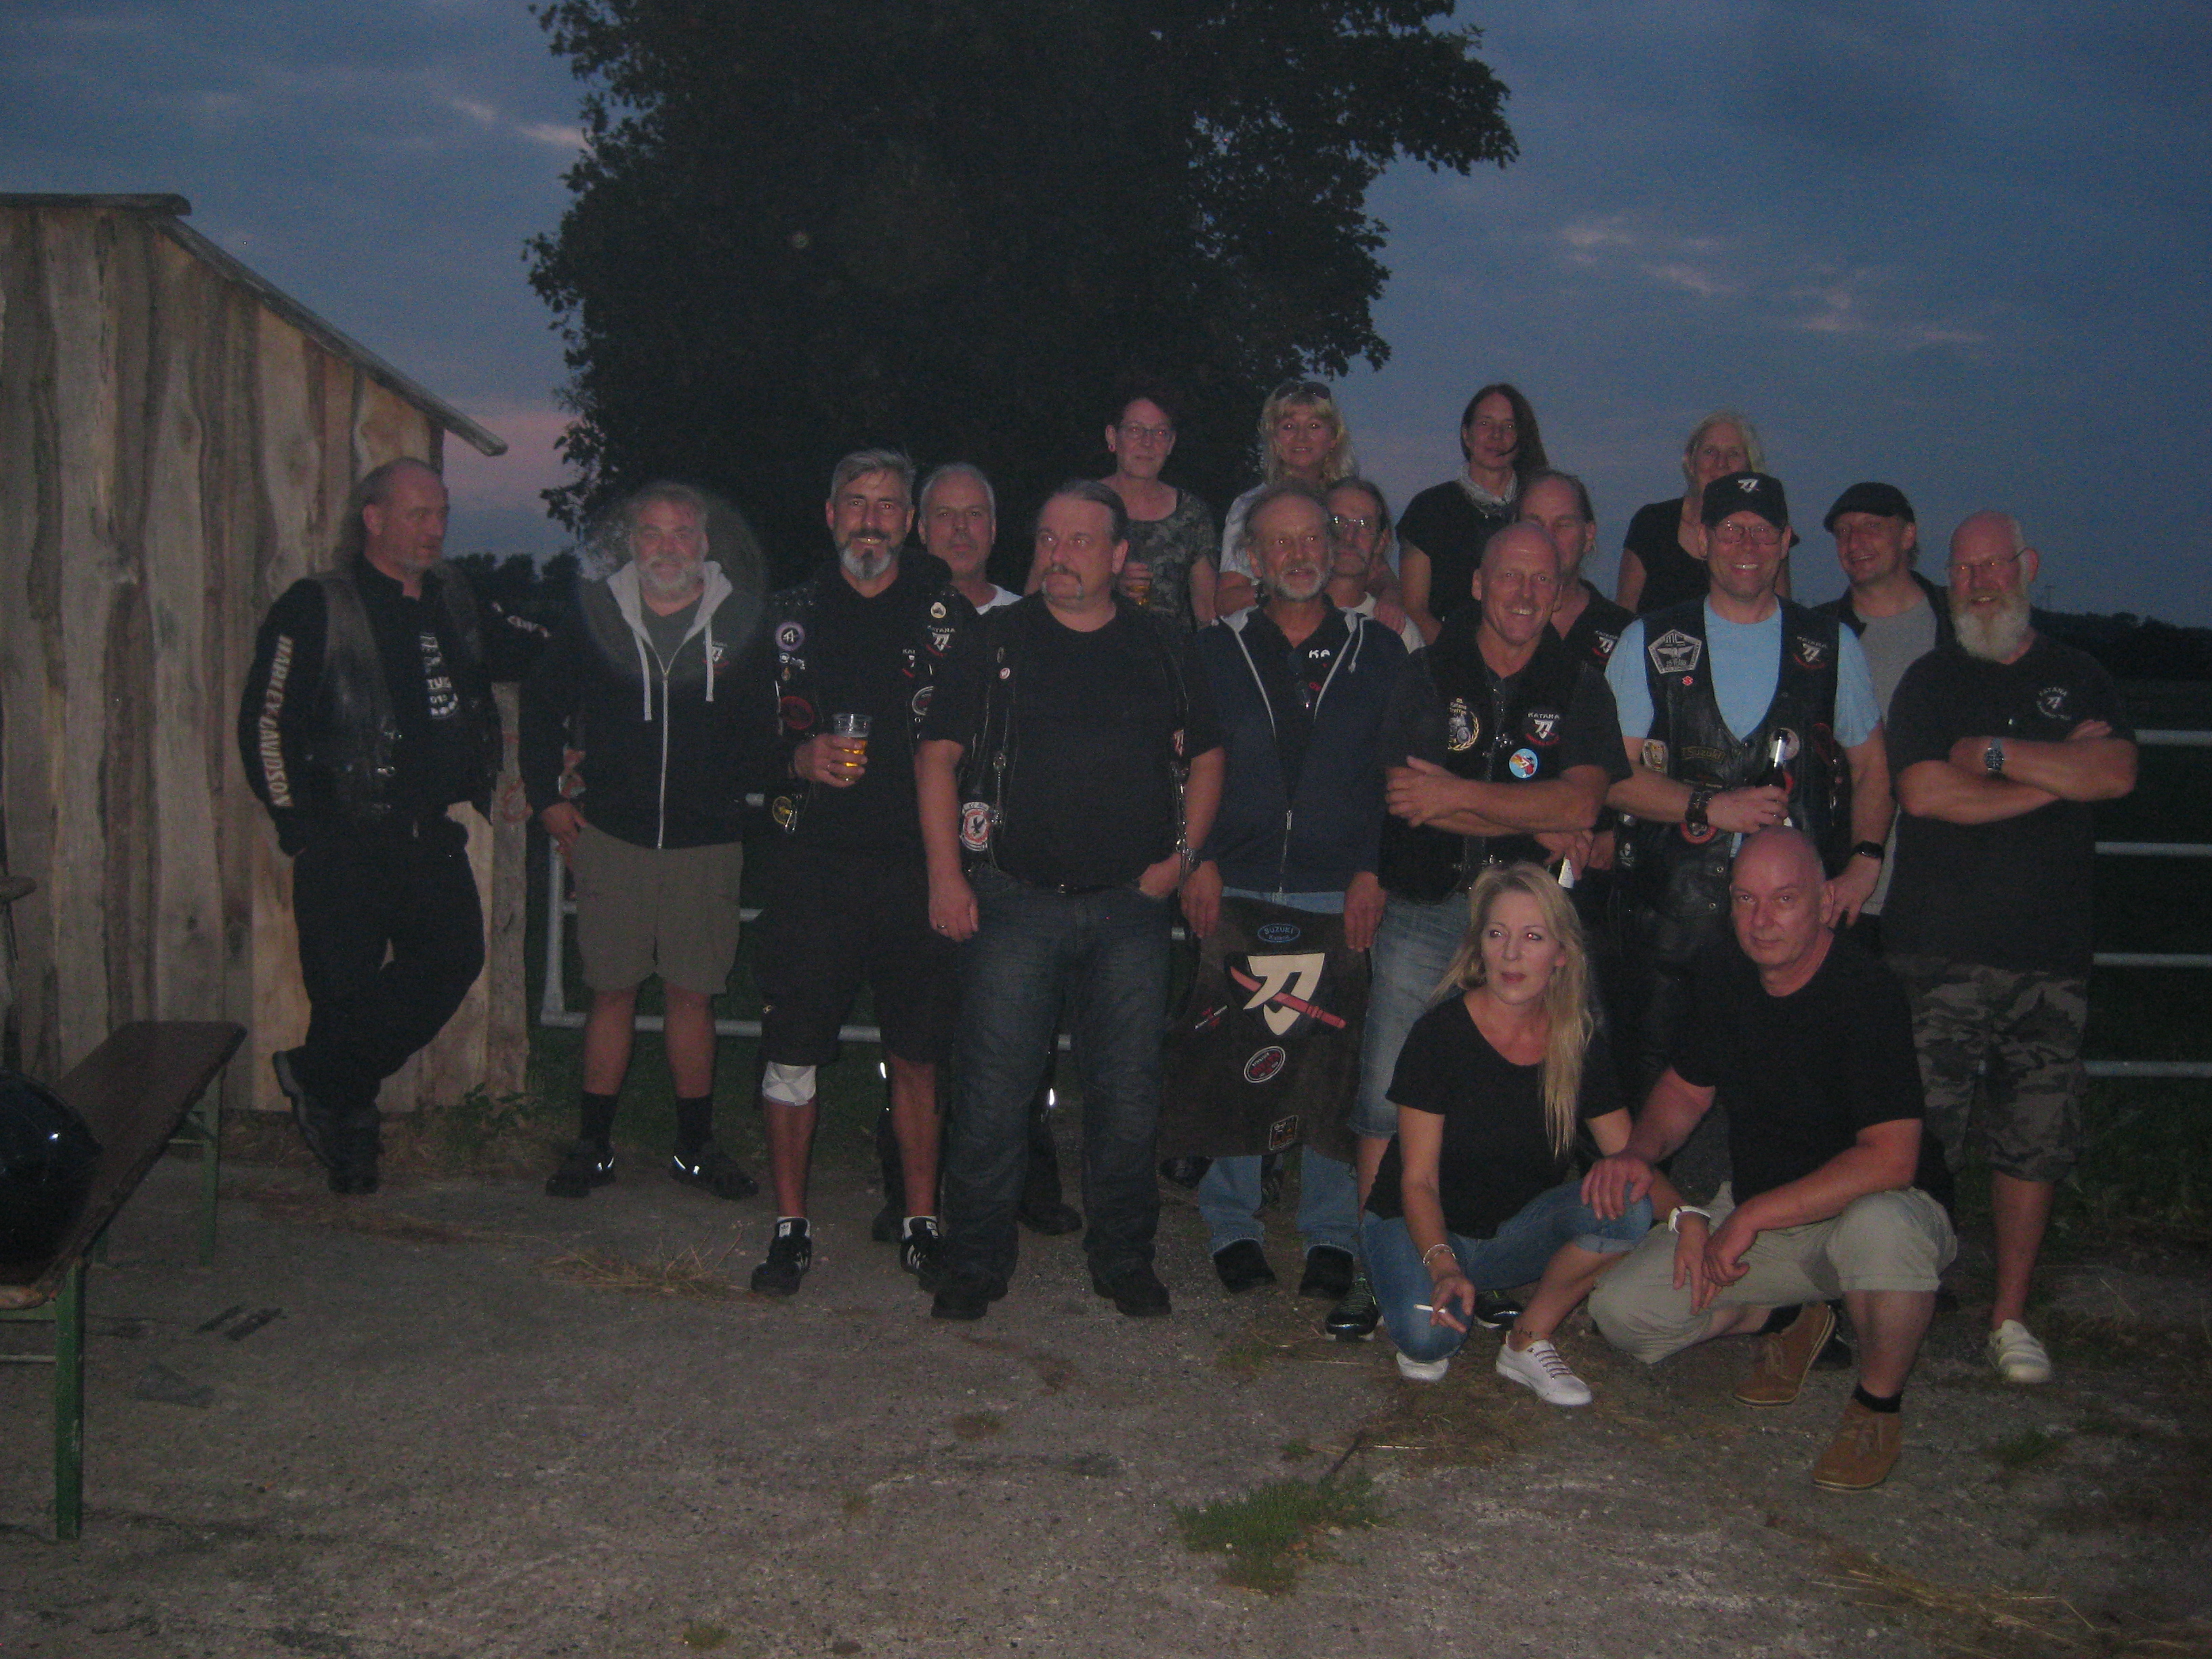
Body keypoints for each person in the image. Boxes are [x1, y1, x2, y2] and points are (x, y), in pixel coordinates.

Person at [916, 482, 1225, 1320]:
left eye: (1080, 540)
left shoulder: (1163, 645)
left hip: (1130, 910)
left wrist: (1181, 860)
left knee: (1127, 1099)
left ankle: (1124, 1259)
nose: (1059, 554)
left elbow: (1207, 757)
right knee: (992, 1097)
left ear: (1120, 556)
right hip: (1014, 902)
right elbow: (937, 757)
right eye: (1049, 538)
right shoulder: (994, 640)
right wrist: (947, 876)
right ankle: (974, 1263)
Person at [1586, 829, 1956, 1490]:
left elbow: (1892, 1160)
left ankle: (1876, 1407)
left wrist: (1751, 1216)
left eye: (1784, 899)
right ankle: (1789, 1315)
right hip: (1769, 1214)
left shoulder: (1864, 990)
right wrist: (1640, 1152)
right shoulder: (1727, 973)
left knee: (1882, 1231)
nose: (1761, 920)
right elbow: (1684, 1090)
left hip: (1874, 1209)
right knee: (1623, 1312)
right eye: (1745, 899)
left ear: (1825, 903)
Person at [1884, 512, 2136, 1386]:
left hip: (2049, 954)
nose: (1981, 583)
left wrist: (1992, 757)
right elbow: (1926, 793)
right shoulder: (1929, 681)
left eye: (1995, 566)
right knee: (1919, 1140)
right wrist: (2053, 778)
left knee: (2034, 1140)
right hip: (1935, 953)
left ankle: (2010, 1317)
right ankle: (1900, 1304)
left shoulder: (2081, 674)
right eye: (1965, 569)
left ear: (2026, 567)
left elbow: (2115, 773)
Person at [1355, 522, 1627, 1329]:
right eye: (1510, 576)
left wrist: (1462, 796)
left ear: (1561, 590)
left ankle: (1508, 1261)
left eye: (1543, 580)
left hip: (1529, 923)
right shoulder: (1424, 672)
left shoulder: (1581, 685)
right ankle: (1383, 1272)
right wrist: (1536, 815)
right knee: (1386, 1093)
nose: (1525, 593)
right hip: (1427, 905)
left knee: (1548, 1088)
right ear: (1477, 584)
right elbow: (1409, 800)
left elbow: (1584, 802)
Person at [239, 457, 501, 1195]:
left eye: (441, 513)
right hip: (344, 838)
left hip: (428, 834)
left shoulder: (453, 600)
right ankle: (351, 1137)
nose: (434, 528)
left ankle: (316, 1076)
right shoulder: (316, 606)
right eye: (418, 514)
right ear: (374, 519)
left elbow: (504, 666)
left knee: (452, 960)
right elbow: (266, 722)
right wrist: (299, 826)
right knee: (344, 993)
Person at [1179, 483, 1407, 1317]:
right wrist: (1197, 857)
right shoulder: (1215, 649)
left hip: (1336, 887)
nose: (1300, 554)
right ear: (1252, 558)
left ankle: (1330, 1236)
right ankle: (1231, 1224)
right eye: (1280, 542)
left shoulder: (1379, 651)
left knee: (1332, 1068)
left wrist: (1374, 870)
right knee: (1234, 1056)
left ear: (1335, 547)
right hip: (1236, 879)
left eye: (1313, 537)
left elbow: (1397, 775)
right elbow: (1186, 762)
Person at [1604, 472, 1891, 1131]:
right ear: (1703, 539)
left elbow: (1873, 766)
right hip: (1670, 923)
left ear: (1786, 542)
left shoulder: (1831, 645)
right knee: (1650, 1105)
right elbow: (1610, 777)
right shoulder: (1648, 640)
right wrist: (1709, 807)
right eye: (1731, 529)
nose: (1747, 545)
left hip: (1792, 932)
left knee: (1795, 1112)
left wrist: (1865, 863)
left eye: (1763, 531)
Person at [742, 450, 964, 1296]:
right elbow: (733, 738)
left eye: (888, 505)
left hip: (915, 870)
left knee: (918, 1055)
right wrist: (796, 757)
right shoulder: (785, 617)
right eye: (857, 503)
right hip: (810, 871)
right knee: (791, 1054)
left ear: (910, 523)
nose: (871, 520)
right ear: (830, 514)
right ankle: (789, 1227)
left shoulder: (947, 617)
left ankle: (921, 1223)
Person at [521, 483, 762, 1203]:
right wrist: (546, 798)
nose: (667, 547)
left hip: (706, 842)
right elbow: (541, 706)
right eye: (651, 533)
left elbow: (769, 727)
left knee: (693, 997)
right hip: (613, 836)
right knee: (611, 994)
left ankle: (695, 1147)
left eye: (682, 532)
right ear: (632, 544)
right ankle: (592, 1146)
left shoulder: (741, 622)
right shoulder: (595, 615)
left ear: (704, 544)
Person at [1365, 863, 1656, 1404]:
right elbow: (1417, 1181)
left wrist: (1690, 1221)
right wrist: (1443, 1265)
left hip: (1509, 1235)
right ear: (1479, 946)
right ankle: (1408, 1284)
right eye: (1497, 934)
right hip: (1419, 1228)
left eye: (1533, 937)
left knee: (1631, 1204)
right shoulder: (1440, 1034)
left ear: (1561, 954)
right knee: (1429, 1343)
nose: (1512, 954)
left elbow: (1630, 1156)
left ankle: (1527, 1339)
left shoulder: (1576, 1041)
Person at [912, 463, 1082, 1238]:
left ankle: (1030, 1178)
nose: (960, 529)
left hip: (1015, 858)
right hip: (919, 850)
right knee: (921, 1032)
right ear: (921, 529)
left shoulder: (1032, 616)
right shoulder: (898, 616)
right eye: (945, 516)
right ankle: (911, 1184)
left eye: (974, 515)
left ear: (995, 528)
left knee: (1025, 1030)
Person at [1813, 482, 1954, 953]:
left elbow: (2002, 736)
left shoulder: (1961, 626)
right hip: (1844, 890)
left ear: (1908, 535)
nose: (1855, 542)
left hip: (1949, 884)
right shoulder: (1815, 638)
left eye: (1872, 527)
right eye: (1843, 532)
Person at [1398, 383, 1549, 644]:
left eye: (1509, 426)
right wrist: (1461, 657)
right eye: (1485, 424)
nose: (1496, 435)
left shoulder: (1537, 509)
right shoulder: (1429, 508)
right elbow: (1415, 608)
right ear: (1466, 435)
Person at [1211, 380, 1368, 617]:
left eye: (1314, 426)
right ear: (1273, 438)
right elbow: (1226, 601)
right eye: (1289, 427)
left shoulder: (1350, 503)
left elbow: (1377, 572)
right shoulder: (1249, 506)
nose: (1301, 437)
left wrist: (1391, 596)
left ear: (1334, 437)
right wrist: (1282, 588)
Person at [1618, 411, 1781, 617]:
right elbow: (1624, 610)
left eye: (1733, 454)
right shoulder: (1652, 524)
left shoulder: (1767, 530)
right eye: (1710, 452)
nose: (1721, 463)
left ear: (1749, 466)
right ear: (1690, 461)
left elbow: (1780, 611)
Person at [1099, 384, 1220, 628]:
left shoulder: (1191, 514)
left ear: (1171, 443)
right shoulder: (1082, 504)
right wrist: (1109, 585)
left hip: (1170, 648)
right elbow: (1047, 586)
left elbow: (1206, 610)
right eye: (1135, 430)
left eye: (1160, 433)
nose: (1148, 442)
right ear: (1112, 437)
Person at [1324, 478, 1423, 653]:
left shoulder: (1397, 631)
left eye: (1365, 525)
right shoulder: (1286, 614)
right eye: (1338, 522)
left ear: (1381, 541)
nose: (1350, 536)